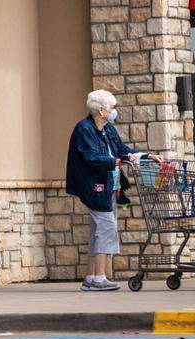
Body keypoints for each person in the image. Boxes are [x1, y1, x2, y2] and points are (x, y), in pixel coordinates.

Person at [65, 89, 161, 291]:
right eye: (111, 108)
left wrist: (146, 156)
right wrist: (115, 161)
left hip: (109, 185)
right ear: (101, 111)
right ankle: (99, 278)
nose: (114, 111)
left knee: (98, 230)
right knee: (107, 228)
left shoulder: (107, 129)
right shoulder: (84, 130)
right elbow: (91, 158)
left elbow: (123, 150)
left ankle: (91, 277)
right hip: (93, 186)